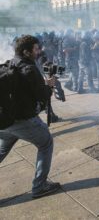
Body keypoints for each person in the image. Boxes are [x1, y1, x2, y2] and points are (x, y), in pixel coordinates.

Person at [0, 35, 60, 198]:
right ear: (26, 52)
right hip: (22, 120)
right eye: (36, 48)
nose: (39, 51)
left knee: (3, 149)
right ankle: (39, 186)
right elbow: (42, 96)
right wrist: (50, 86)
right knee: (46, 143)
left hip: (5, 120)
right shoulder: (29, 68)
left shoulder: (11, 62)